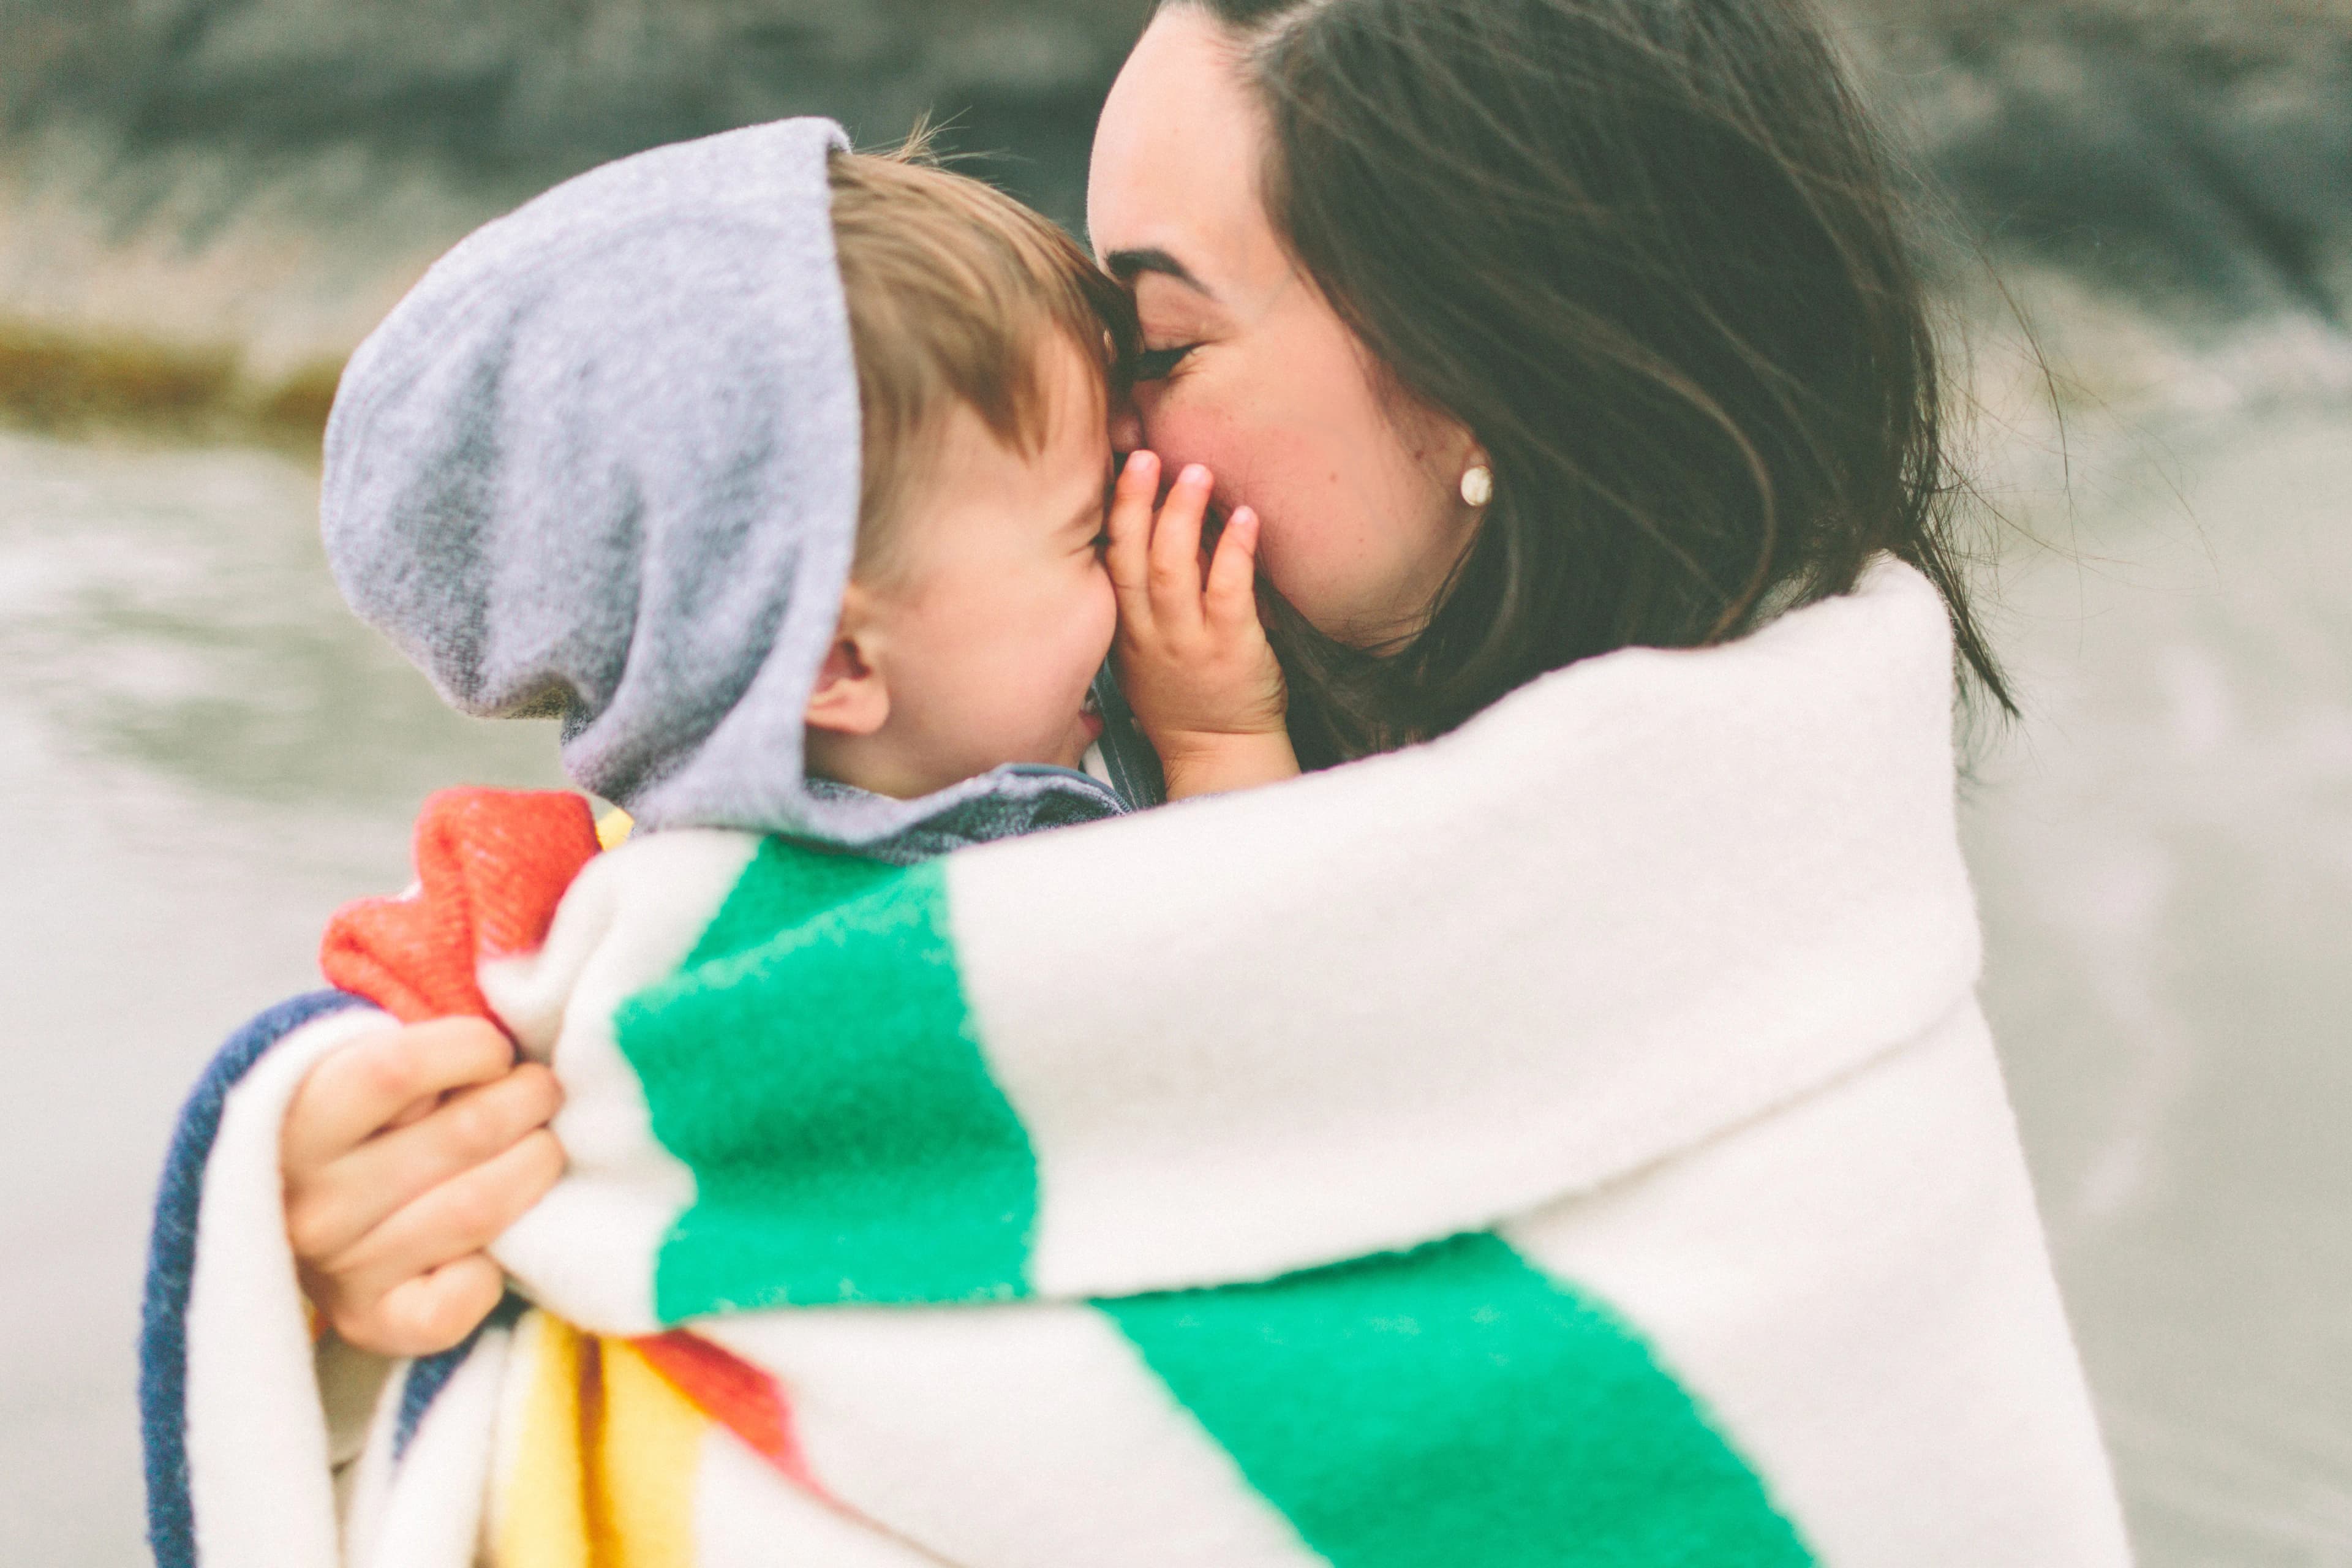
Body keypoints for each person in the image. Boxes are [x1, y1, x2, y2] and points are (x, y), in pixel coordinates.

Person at [159, 1, 2133, 1562]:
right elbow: (596, 1002)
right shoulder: (1005, 729)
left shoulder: (1783, 960)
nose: (1112, 453)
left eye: (1159, 342)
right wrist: (331, 1221)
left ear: (1489, 361)